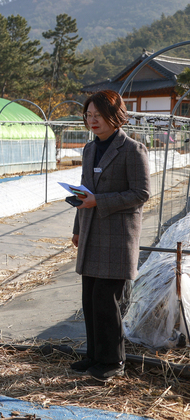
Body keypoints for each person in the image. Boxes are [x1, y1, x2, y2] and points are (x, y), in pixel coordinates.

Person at [70, 90, 150, 381]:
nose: (92, 120)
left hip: (117, 236)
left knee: (107, 300)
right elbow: (84, 191)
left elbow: (141, 193)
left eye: (98, 115)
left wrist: (98, 201)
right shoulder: (90, 149)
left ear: (115, 116)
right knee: (90, 298)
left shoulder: (132, 149)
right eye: (88, 115)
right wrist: (78, 227)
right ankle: (94, 356)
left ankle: (114, 361)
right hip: (91, 232)